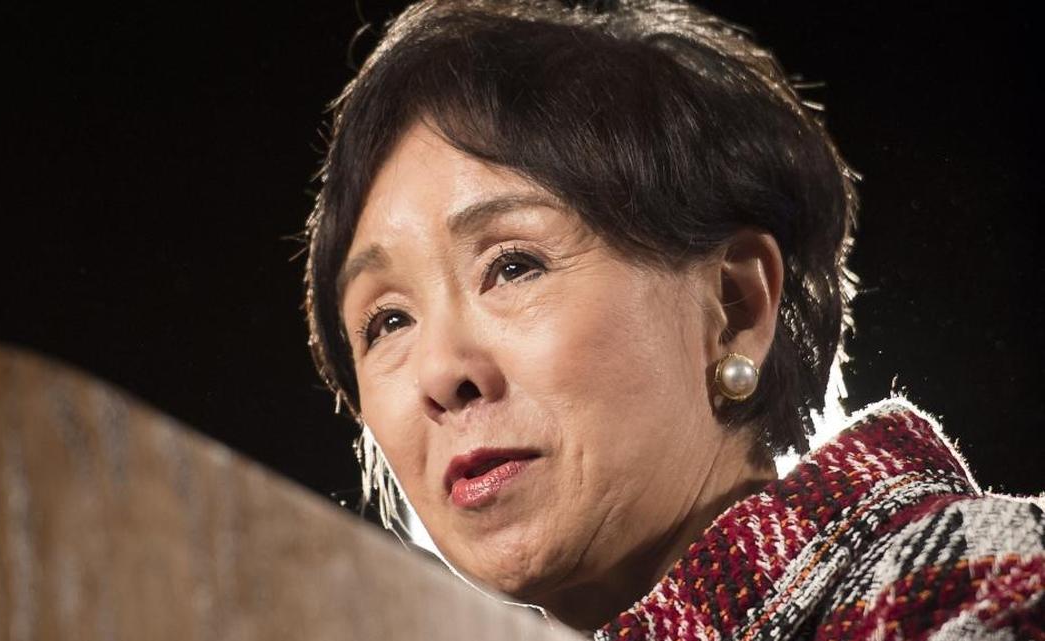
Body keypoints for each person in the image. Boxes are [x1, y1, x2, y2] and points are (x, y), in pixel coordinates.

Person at [302, 1, 1045, 637]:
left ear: (735, 307)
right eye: (387, 321)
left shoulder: (982, 588)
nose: (440, 373)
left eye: (514, 265)